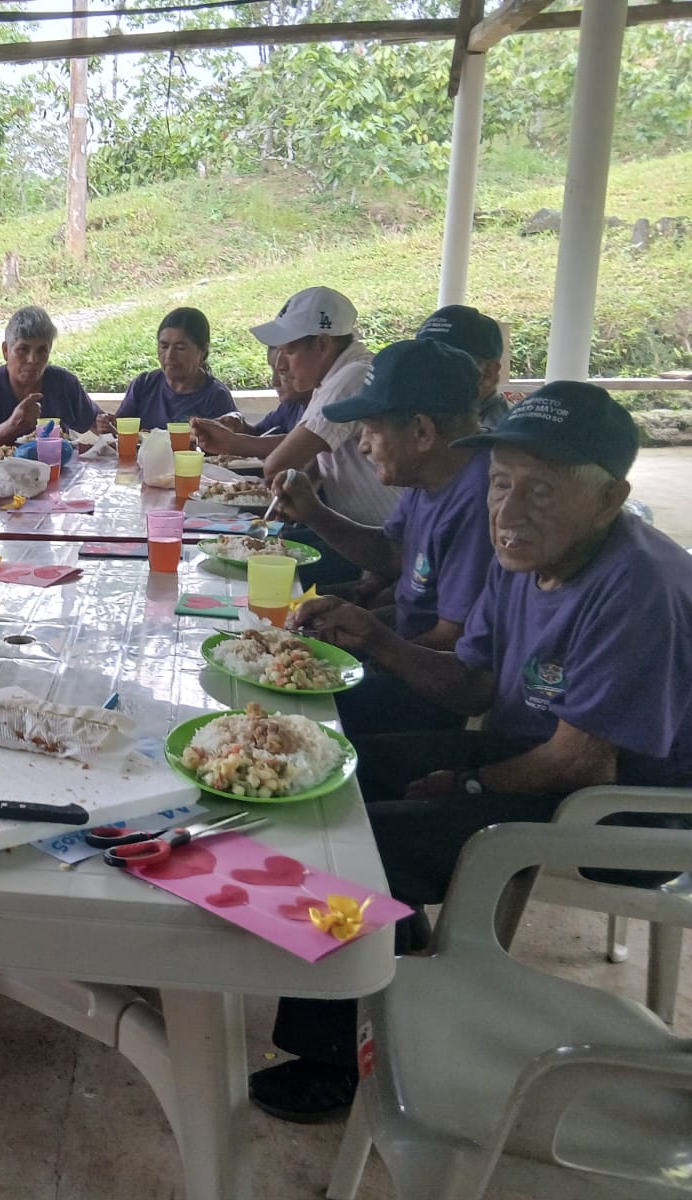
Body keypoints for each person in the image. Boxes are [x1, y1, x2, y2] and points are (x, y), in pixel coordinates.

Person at [251, 382, 692, 1123]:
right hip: (531, 754)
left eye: (541, 490)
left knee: (351, 848)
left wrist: (469, 783)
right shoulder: (525, 555)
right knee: (329, 766)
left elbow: (580, 764)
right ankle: (391, 940)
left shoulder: (637, 586)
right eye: (500, 483)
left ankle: (336, 1060)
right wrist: (374, 636)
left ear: (609, 499)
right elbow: (472, 683)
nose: (509, 511)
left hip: (622, 813)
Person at [269, 339, 494, 734]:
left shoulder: (480, 500)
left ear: (421, 431)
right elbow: (392, 553)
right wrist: (314, 513)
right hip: (396, 647)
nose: (363, 445)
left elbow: (451, 645)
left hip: (424, 689)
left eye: (371, 429)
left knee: (277, 706)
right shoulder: (431, 475)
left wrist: (369, 639)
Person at [254, 287, 399, 583]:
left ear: (322, 344)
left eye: (289, 350)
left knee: (258, 569)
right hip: (352, 530)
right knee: (254, 549)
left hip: (379, 543)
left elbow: (278, 463)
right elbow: (314, 462)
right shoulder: (333, 376)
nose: (280, 364)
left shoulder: (352, 376)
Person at [0, 306, 112, 440]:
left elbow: (96, 423)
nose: (33, 359)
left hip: (57, 462)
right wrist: (12, 425)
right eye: (23, 349)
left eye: (42, 350)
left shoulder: (64, 384)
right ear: (6, 351)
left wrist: (105, 425)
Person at [114, 307, 238, 430]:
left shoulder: (216, 397)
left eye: (180, 348)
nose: (169, 356)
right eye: (164, 346)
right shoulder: (144, 384)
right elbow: (121, 430)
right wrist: (110, 425)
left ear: (203, 351)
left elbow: (223, 440)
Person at [190, 344, 311, 460]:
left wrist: (234, 443)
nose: (274, 381)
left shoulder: (318, 411)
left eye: (283, 371)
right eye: (273, 370)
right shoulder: (291, 406)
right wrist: (239, 425)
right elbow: (260, 433)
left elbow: (302, 444)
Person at [415, 303, 517, 430]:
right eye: (420, 361)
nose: (425, 373)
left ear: (488, 373)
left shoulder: (503, 435)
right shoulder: (421, 421)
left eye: (444, 365)